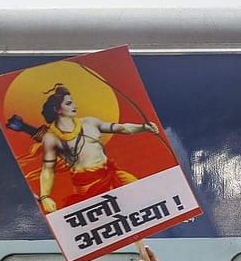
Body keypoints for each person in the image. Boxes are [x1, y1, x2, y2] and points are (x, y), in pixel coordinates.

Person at [36, 84, 159, 213]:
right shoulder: (51, 138)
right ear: (57, 109)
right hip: (86, 184)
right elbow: (48, 169)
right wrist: (45, 197)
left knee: (141, 194)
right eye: (69, 103)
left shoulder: (90, 122)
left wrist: (143, 127)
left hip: (110, 174)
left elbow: (121, 128)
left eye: (73, 102)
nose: (74, 106)